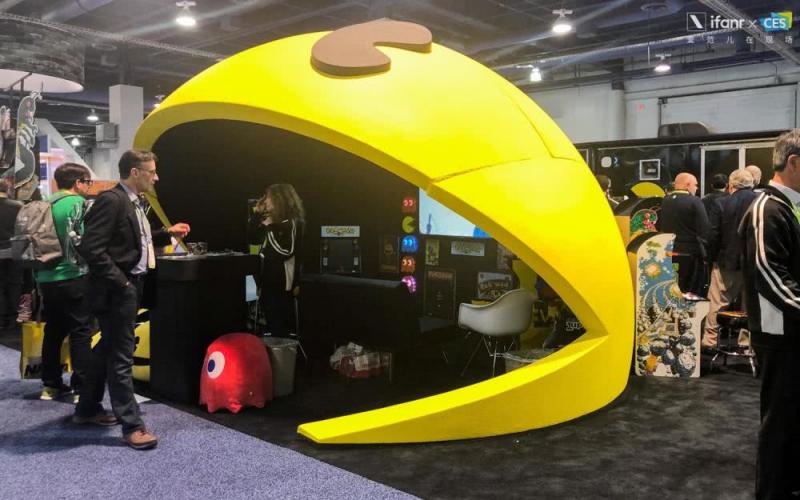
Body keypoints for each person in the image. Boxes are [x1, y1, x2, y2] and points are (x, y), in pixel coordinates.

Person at [74, 150, 190, 450]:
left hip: (126, 288)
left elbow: (136, 240)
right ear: (135, 172)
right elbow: (91, 248)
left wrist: (167, 233)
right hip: (117, 291)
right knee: (120, 357)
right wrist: (122, 282)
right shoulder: (113, 200)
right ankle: (133, 425)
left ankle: (86, 409)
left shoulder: (133, 202)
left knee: (106, 349)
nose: (156, 177)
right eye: (152, 172)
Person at [740, 129, 800, 500]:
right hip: (779, 334)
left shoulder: (790, 206)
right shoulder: (767, 208)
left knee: (793, 419)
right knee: (780, 421)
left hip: (793, 329)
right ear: (793, 162)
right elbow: (769, 275)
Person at [36, 163, 94, 401]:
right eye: (87, 182)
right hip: (74, 276)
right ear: (77, 183)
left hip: (45, 277)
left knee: (54, 330)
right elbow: (86, 241)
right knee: (81, 332)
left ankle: (50, 385)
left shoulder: (44, 203)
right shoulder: (78, 204)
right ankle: (82, 389)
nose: (88, 187)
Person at [701, 169, 756, 350]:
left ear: (731, 185)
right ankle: (746, 342)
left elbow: (712, 235)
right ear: (751, 184)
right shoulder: (759, 201)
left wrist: (712, 258)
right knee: (750, 305)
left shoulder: (721, 203)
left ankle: (710, 341)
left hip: (726, 261)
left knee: (717, 302)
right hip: (752, 262)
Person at [249, 184, 304, 337]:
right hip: (264, 277)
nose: (266, 200)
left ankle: (282, 349)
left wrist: (270, 227)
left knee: (278, 322)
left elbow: (286, 251)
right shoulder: (270, 220)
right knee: (268, 319)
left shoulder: (292, 222)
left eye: (269, 197)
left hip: (281, 280)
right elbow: (253, 239)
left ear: (279, 199)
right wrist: (256, 215)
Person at [658, 172, 710, 299]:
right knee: (688, 287)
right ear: (687, 185)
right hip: (690, 251)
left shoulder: (666, 201)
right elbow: (704, 228)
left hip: (669, 248)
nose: (696, 188)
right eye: (695, 185)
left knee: (673, 284)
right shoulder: (695, 201)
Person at [0, 174, 22, 330]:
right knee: (14, 284)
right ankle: (13, 318)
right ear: (7, 189)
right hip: (14, 251)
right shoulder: (18, 206)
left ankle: (1, 319)